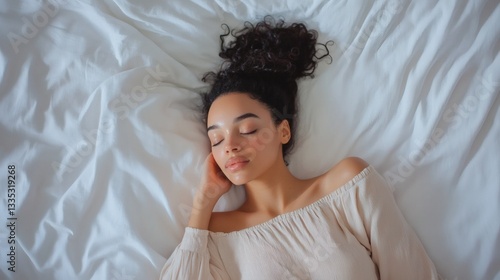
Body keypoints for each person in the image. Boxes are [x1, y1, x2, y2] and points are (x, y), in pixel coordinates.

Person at [160, 17, 440, 280]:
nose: (230, 147)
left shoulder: (348, 186)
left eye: (247, 130)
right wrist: (203, 203)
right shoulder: (216, 233)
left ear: (283, 130)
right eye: (217, 140)